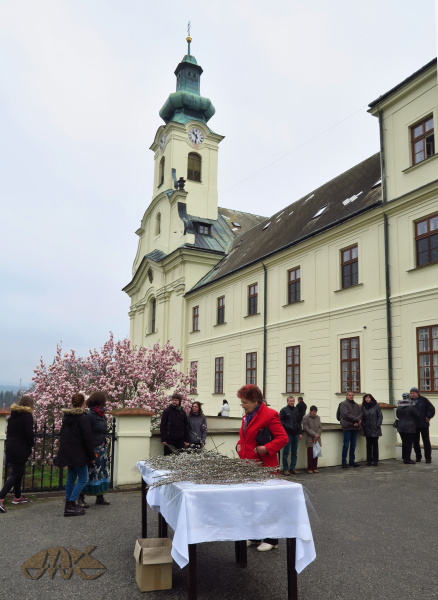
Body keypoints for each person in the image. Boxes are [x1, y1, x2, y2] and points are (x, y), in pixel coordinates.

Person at [236, 384, 288, 552]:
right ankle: (255, 534)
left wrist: (267, 448)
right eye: (241, 402)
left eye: (244, 402)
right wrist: (239, 445)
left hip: (264, 466)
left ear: (255, 401)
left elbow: (282, 438)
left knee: (267, 503)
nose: (242, 405)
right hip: (248, 466)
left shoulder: (270, 415)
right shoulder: (246, 416)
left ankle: (272, 539)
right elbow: (245, 439)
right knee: (251, 502)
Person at [56, 392, 95, 517]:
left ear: (72, 403)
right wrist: (91, 456)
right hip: (79, 453)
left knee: (71, 478)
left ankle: (69, 503)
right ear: (83, 403)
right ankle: (71, 503)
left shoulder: (66, 417)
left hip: (68, 452)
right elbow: (87, 438)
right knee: (83, 478)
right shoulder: (83, 418)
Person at [0, 396, 35, 513]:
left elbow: (9, 432)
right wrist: (31, 445)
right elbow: (29, 434)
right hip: (21, 447)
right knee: (16, 473)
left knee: (19, 471)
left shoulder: (13, 416)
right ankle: (1, 498)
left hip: (11, 445)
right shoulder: (27, 416)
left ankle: (17, 497)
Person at [80, 392, 111, 507]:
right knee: (89, 472)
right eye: (104, 401)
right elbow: (86, 433)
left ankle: (100, 496)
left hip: (101, 447)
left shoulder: (101, 414)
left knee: (101, 472)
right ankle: (81, 497)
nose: (105, 403)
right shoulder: (90, 415)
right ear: (99, 401)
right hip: (93, 448)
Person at [410, 386, 435, 463]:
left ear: (417, 393)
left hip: (424, 424)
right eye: (411, 393)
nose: (412, 395)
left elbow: (431, 409)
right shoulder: (409, 401)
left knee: (426, 441)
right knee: (415, 441)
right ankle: (418, 457)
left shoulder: (424, 400)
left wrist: (428, 416)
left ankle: (428, 458)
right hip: (414, 425)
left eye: (413, 393)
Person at [279, 396, 302, 475]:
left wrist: (300, 432)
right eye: (290, 401)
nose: (291, 402)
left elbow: (299, 422)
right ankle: (285, 469)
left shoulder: (297, 410)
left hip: (295, 433)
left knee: (294, 452)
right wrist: (287, 427)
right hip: (287, 433)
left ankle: (293, 468)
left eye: (292, 401)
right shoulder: (284, 410)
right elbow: (280, 421)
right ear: (287, 401)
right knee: (286, 452)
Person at [396, 393, 421, 464]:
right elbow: (417, 415)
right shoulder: (412, 406)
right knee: (409, 443)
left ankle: (404, 457)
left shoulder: (399, 406)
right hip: (410, 427)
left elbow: (397, 415)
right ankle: (407, 459)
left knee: (404, 442)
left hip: (401, 427)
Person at [339, 391, 362, 468]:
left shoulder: (356, 405)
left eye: (352, 395)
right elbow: (346, 415)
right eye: (350, 395)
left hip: (355, 428)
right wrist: (356, 420)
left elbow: (360, 414)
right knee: (346, 445)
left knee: (353, 445)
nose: (351, 396)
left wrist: (358, 422)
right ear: (346, 396)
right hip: (347, 427)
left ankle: (352, 461)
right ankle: (344, 462)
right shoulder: (343, 404)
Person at [361, 394, 383, 466]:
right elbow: (362, 417)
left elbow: (380, 416)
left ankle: (375, 460)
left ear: (371, 398)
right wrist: (363, 425)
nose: (367, 399)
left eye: (368, 398)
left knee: (375, 444)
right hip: (367, 428)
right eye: (366, 398)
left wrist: (377, 425)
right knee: (368, 445)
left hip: (375, 428)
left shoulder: (376, 406)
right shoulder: (363, 407)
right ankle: (369, 460)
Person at [302, 406, 322, 474]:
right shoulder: (306, 417)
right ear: (310, 411)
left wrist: (318, 434)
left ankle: (315, 467)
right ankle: (309, 468)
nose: (315, 413)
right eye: (313, 411)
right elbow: (305, 428)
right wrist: (314, 435)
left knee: (316, 453)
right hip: (310, 438)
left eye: (316, 412)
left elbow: (320, 427)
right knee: (310, 453)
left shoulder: (318, 417)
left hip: (317, 438)